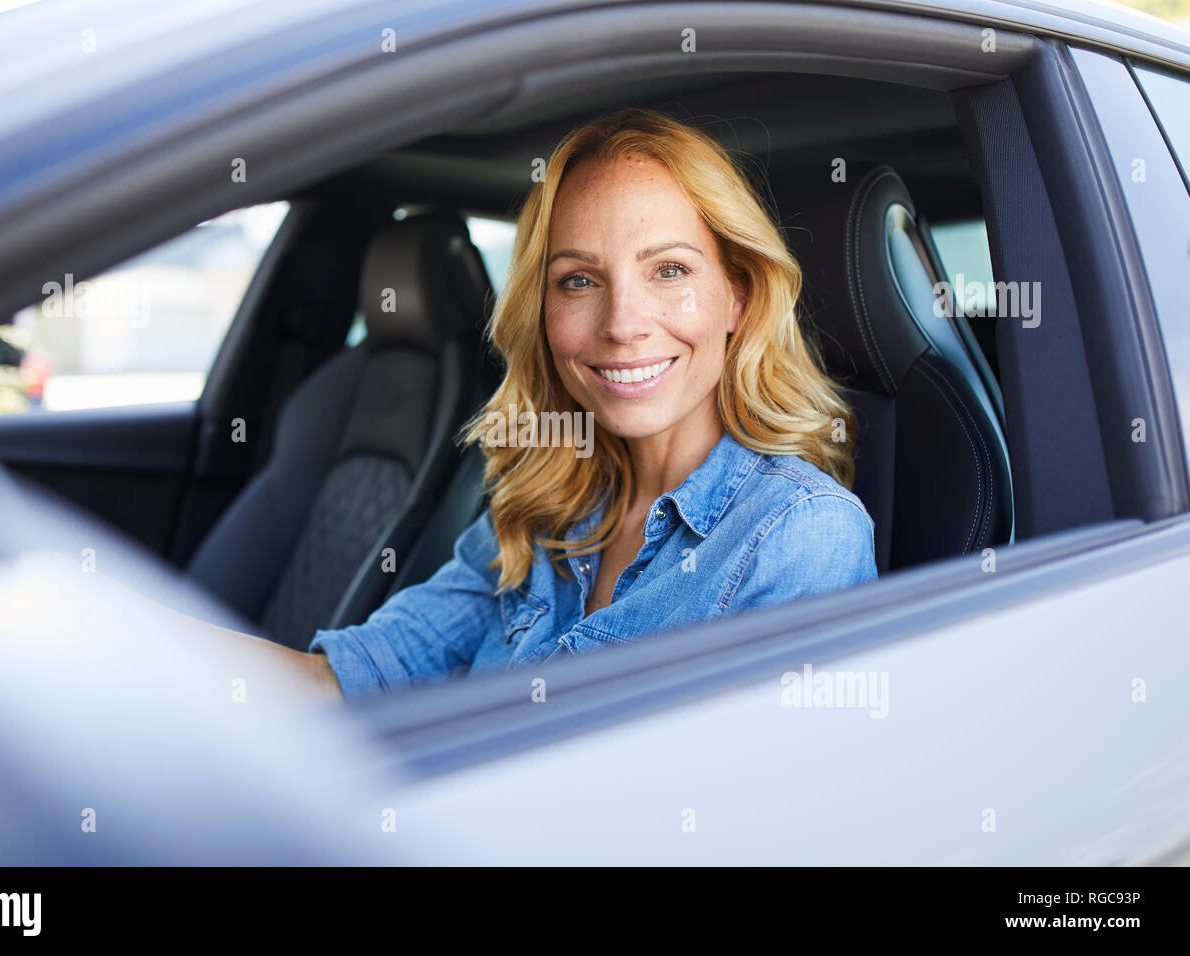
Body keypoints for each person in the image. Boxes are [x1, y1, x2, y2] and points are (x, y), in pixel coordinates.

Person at [218, 107, 877, 699]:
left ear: (738, 294)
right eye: (579, 280)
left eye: (669, 270)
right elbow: (345, 681)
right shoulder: (543, 510)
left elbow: (751, 814)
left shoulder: (801, 534)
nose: (622, 323)